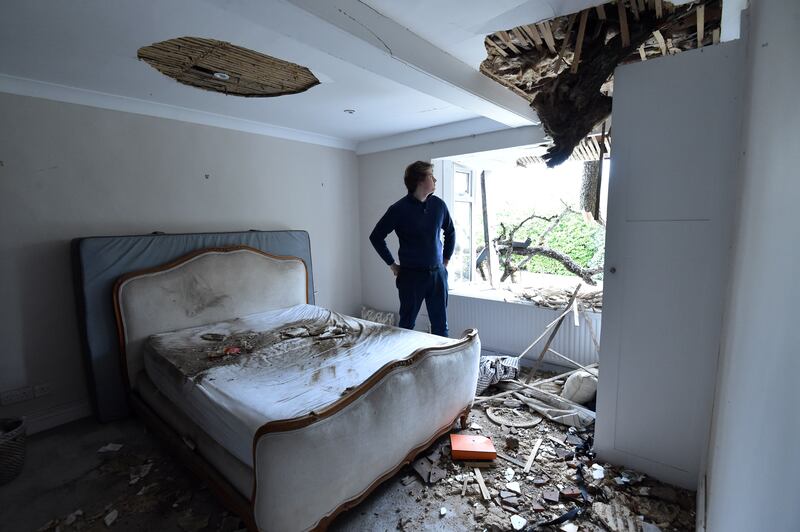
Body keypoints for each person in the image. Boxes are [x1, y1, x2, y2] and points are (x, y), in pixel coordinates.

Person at [369, 161, 455, 337]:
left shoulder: (439, 205)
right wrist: (392, 265)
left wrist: (445, 260)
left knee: (441, 326)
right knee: (406, 325)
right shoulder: (398, 209)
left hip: (437, 275)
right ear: (420, 180)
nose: (435, 179)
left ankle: (441, 363)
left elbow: (451, 232)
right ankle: (405, 363)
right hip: (411, 277)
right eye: (431, 175)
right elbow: (376, 237)